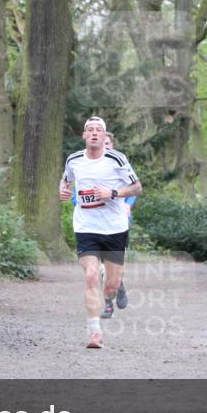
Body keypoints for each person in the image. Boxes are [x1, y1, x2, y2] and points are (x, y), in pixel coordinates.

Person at [59, 116, 142, 349]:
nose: (94, 133)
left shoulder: (117, 159)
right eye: (90, 130)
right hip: (86, 226)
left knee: (112, 285)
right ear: (84, 135)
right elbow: (66, 182)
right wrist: (63, 192)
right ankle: (95, 333)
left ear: (105, 137)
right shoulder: (74, 160)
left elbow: (137, 187)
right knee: (90, 276)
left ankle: (110, 292)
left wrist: (113, 193)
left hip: (115, 227)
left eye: (99, 130)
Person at [69, 132, 135, 311]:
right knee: (96, 269)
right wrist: (82, 203)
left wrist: (128, 205)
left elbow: (132, 188)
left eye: (107, 143)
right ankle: (107, 306)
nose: (103, 146)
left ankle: (117, 284)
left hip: (116, 223)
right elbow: (77, 193)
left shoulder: (119, 162)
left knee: (112, 268)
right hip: (91, 224)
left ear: (111, 145)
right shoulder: (84, 165)